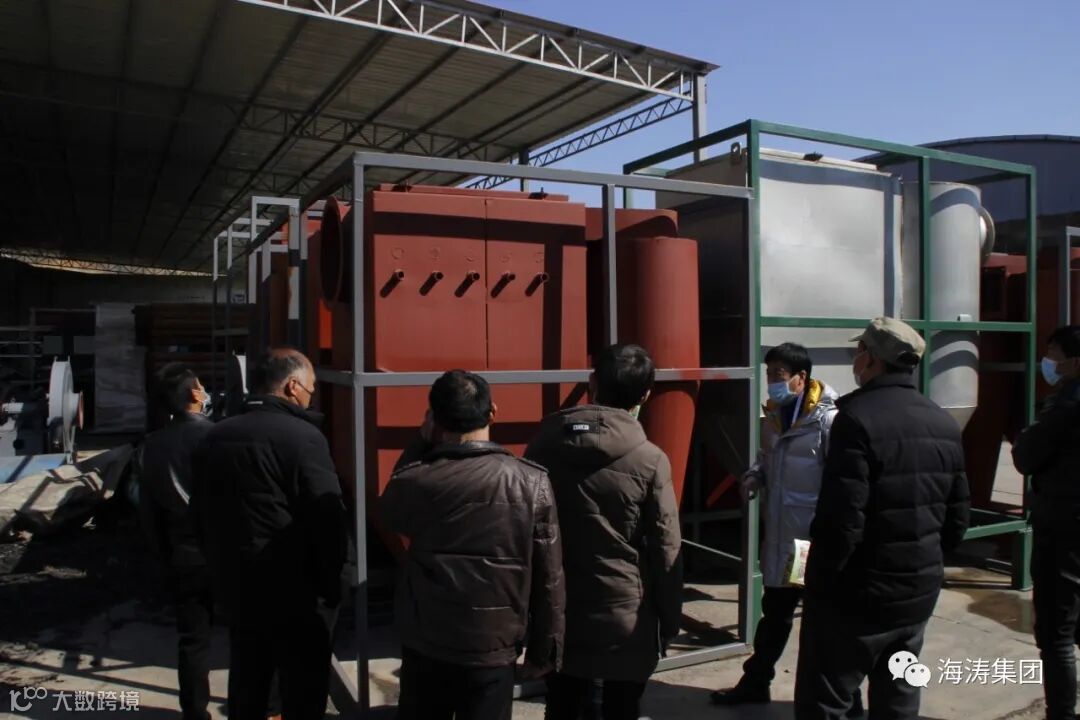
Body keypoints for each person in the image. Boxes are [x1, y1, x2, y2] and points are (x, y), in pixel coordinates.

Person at [794, 317, 970, 720]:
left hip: (858, 594)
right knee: (899, 695)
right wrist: (923, 563)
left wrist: (819, 581)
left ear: (871, 359)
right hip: (917, 592)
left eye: (859, 351)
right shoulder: (943, 421)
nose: (855, 359)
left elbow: (843, 520)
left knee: (828, 700)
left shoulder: (856, 419)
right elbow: (957, 518)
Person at [381, 370, 565, 720]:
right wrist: (546, 648)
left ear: (434, 419)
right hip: (493, 647)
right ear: (493, 412)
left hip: (427, 640)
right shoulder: (532, 481)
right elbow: (549, 576)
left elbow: (390, 512)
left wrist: (419, 443)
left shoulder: (417, 478)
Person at [525, 343, 683, 720]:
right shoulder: (650, 459)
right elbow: (666, 546)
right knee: (621, 707)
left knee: (563, 705)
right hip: (625, 611)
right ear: (645, 395)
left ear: (592, 382)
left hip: (556, 605)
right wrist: (669, 618)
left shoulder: (543, 444)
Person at [192, 348, 347, 720]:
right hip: (296, 592)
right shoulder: (304, 438)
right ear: (293, 386)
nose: (311, 396)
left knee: (248, 680)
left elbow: (198, 512)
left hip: (237, 586)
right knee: (303, 690)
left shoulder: (215, 435)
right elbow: (327, 520)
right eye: (310, 388)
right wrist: (332, 586)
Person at [712, 343, 847, 708]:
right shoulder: (774, 416)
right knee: (775, 615)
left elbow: (841, 481)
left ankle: (828, 697)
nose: (772, 381)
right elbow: (766, 458)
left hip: (809, 543)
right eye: (769, 374)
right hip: (780, 538)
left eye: (779, 375)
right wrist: (755, 475)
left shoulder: (828, 420)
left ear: (801, 378)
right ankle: (756, 682)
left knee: (818, 622)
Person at [139, 363, 215, 720]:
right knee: (250, 633)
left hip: (183, 554)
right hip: (225, 551)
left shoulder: (153, 445)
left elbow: (149, 511)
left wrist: (163, 555)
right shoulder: (219, 436)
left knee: (193, 641)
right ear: (196, 394)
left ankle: (195, 712)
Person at [1013, 325, 1080, 720]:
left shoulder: (1066, 405)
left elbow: (1025, 457)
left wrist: (1029, 435)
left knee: (1057, 635)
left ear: (1074, 361)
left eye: (1053, 353)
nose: (1048, 362)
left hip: (1064, 530)